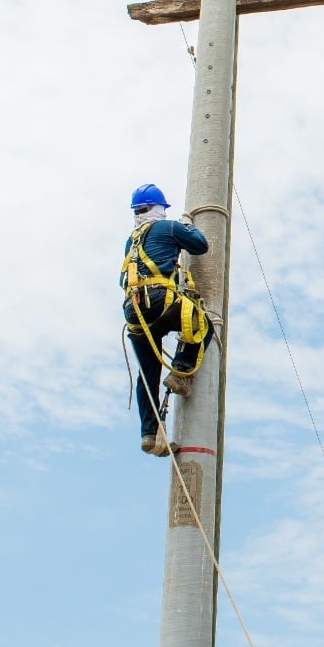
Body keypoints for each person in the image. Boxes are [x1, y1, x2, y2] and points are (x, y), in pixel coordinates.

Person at [122, 183, 214, 456]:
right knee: (201, 324)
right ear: (159, 208)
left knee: (148, 372)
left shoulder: (132, 239)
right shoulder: (168, 227)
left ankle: (150, 434)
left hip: (134, 311)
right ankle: (181, 372)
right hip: (158, 301)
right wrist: (187, 225)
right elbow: (200, 245)